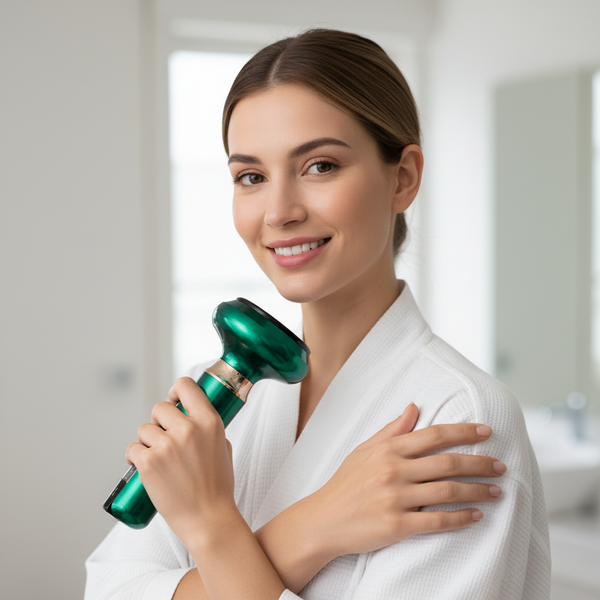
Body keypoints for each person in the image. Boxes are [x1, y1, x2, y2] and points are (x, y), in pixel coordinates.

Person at [85, 29, 550, 600]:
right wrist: (310, 528)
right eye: (251, 177)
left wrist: (211, 525)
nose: (278, 212)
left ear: (402, 178)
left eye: (320, 166)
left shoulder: (458, 418)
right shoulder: (218, 396)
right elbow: (108, 588)